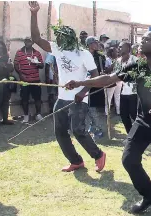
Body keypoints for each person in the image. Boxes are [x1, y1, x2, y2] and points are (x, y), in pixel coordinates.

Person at [65, 31, 151, 216]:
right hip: (143, 120)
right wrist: (80, 82)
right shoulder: (138, 66)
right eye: (142, 39)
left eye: (148, 39)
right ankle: (150, 195)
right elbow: (109, 79)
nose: (142, 41)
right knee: (128, 159)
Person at [28, 1, 106, 173]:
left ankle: (98, 154)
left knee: (78, 131)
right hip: (62, 98)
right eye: (58, 36)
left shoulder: (84, 54)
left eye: (62, 36)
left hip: (80, 98)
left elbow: (95, 76)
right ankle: (76, 161)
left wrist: (83, 92)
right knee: (60, 132)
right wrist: (34, 14)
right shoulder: (57, 49)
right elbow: (36, 39)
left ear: (70, 37)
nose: (58, 39)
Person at [14, 37, 44, 123]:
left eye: (29, 42)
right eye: (26, 41)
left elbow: (42, 66)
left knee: (37, 98)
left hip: (36, 80)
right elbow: (15, 65)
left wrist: (37, 63)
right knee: (24, 98)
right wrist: (20, 75)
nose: (27, 43)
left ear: (32, 43)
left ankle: (38, 114)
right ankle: (26, 116)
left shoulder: (37, 53)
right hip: (24, 80)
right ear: (24, 42)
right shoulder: (19, 52)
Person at [85, 36, 106, 139]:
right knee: (89, 108)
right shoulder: (84, 55)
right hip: (87, 84)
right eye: (95, 42)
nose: (97, 44)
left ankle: (97, 128)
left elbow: (104, 69)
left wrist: (103, 73)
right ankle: (95, 127)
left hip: (97, 84)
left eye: (98, 42)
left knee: (95, 107)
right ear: (89, 44)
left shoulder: (101, 57)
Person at [0, 40, 15, 125]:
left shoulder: (7, 57)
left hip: (6, 81)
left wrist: (5, 66)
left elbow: (11, 68)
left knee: (6, 101)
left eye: (1, 48)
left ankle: (5, 119)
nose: (0, 49)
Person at [116, 42, 138, 133]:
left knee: (134, 115)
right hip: (123, 92)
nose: (119, 48)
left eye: (121, 47)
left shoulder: (135, 60)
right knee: (123, 115)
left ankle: (142, 135)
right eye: (119, 47)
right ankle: (130, 135)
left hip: (134, 93)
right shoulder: (118, 61)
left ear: (128, 49)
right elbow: (115, 75)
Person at [104, 46, 121, 116]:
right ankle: (107, 113)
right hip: (111, 80)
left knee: (117, 96)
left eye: (117, 51)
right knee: (108, 97)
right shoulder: (107, 60)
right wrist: (113, 64)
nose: (117, 53)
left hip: (119, 80)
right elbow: (106, 70)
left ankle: (118, 111)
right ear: (111, 52)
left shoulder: (119, 59)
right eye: (116, 51)